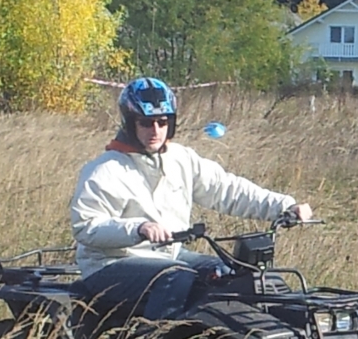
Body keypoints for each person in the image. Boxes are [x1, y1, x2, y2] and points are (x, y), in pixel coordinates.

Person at [70, 77, 312, 278]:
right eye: (146, 123)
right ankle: (158, 326)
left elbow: (227, 190)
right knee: (177, 277)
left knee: (233, 275)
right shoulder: (106, 169)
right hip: (111, 265)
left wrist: (283, 206)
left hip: (169, 256)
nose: (155, 130)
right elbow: (86, 226)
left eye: (162, 122)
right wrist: (139, 228)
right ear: (130, 123)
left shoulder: (181, 159)